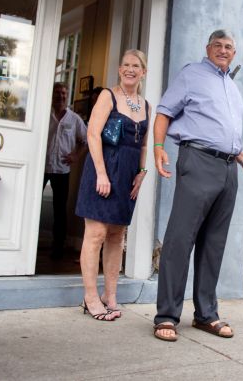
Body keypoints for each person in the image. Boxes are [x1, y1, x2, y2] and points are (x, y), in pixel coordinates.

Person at [152, 30, 243, 342]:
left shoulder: (232, 86)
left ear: (234, 53)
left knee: (213, 244)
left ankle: (206, 314)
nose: (223, 50)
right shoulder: (192, 74)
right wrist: (158, 147)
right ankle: (166, 316)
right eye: (218, 45)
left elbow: (226, 135)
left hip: (230, 169)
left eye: (229, 47)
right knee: (180, 239)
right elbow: (164, 112)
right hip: (198, 161)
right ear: (208, 48)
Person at [75, 49, 150, 321]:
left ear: (143, 72)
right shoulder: (108, 96)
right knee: (95, 234)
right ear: (120, 70)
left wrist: (142, 171)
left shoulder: (145, 105)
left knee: (117, 235)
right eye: (126, 65)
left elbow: (142, 144)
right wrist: (101, 174)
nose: (130, 69)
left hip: (127, 176)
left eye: (136, 66)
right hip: (103, 169)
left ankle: (110, 295)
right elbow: (93, 134)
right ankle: (90, 297)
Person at [44, 82, 87, 261]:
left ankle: (57, 248)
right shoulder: (44, 115)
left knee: (59, 210)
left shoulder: (74, 119)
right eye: (57, 93)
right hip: (42, 167)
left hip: (62, 170)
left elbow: (85, 140)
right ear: (51, 95)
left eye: (63, 93)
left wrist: (76, 156)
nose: (60, 96)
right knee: (30, 205)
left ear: (67, 95)